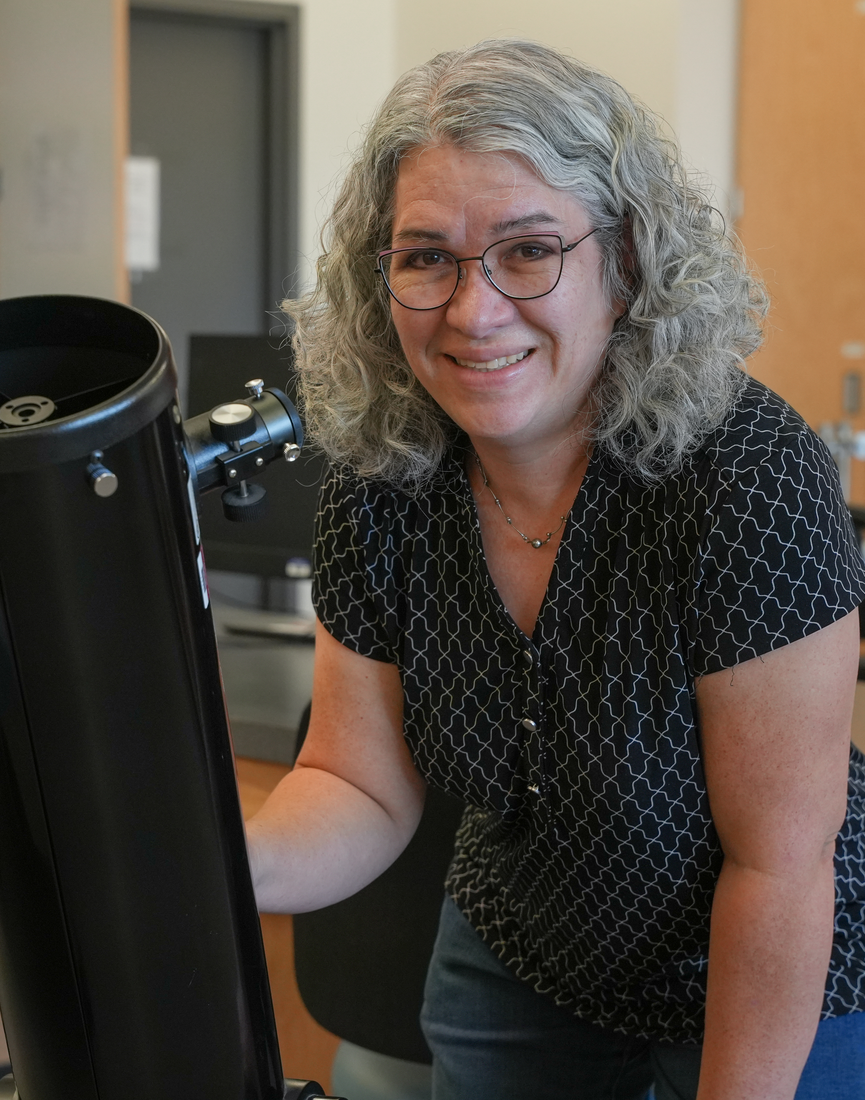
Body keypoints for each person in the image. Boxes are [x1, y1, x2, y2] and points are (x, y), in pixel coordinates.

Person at [244, 38, 865, 1100]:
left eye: (527, 250)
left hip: (776, 970)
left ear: (621, 263)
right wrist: (201, 866)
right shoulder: (385, 472)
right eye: (425, 255)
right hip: (524, 958)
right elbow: (355, 782)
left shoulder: (742, 473)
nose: (472, 309)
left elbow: (776, 864)